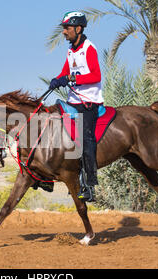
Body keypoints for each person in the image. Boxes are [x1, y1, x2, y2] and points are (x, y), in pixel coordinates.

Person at [49, 11, 103, 202]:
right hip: (73, 102)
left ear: (78, 29)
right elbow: (66, 70)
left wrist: (71, 78)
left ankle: (89, 185)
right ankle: (47, 175)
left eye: (67, 28)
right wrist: (57, 79)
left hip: (89, 103)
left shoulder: (89, 48)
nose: (64, 32)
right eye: (63, 28)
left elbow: (96, 76)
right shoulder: (71, 50)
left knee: (86, 142)